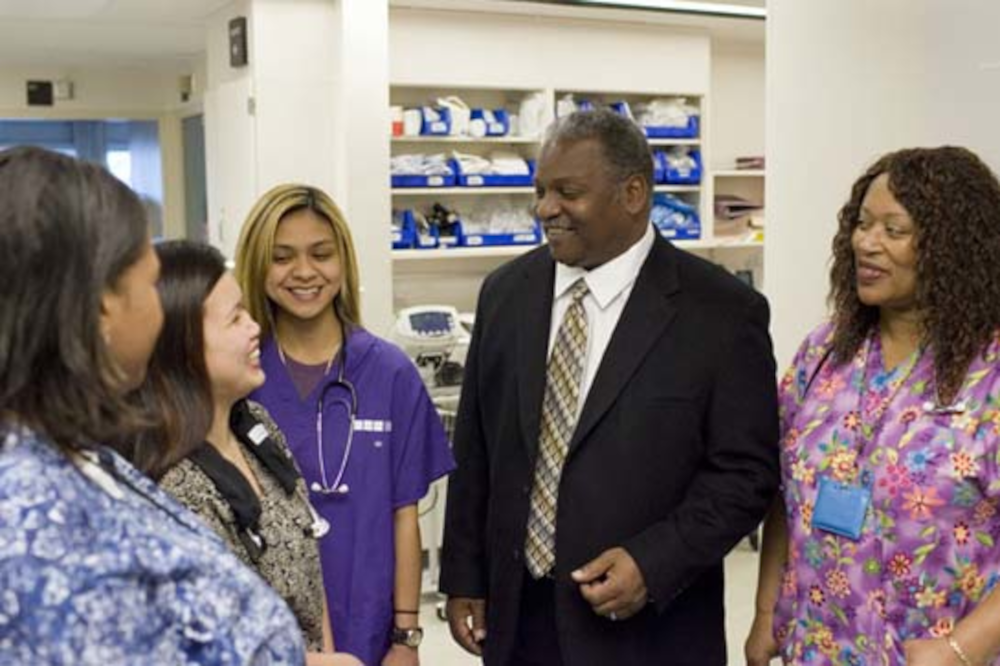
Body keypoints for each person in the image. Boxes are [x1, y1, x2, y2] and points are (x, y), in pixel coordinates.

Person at [439, 108, 780, 666]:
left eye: (568, 192)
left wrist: (653, 561)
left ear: (633, 193)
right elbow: (476, 450)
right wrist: (465, 575)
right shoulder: (506, 294)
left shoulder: (720, 313)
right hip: (518, 622)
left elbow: (746, 473)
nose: (546, 209)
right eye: (541, 190)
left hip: (648, 633)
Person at [0, 146, 304, 664]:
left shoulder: (75, 455)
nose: (160, 313)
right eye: (147, 282)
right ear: (101, 307)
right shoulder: (34, 526)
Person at [744, 146, 1000, 666]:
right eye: (861, 224)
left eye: (893, 229)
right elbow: (781, 494)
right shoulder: (824, 352)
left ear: (953, 247)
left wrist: (958, 648)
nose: (866, 242)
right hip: (816, 645)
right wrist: (767, 609)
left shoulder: (988, 373)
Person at [234, 184, 456, 666]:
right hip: (268, 630)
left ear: (344, 261)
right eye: (282, 257)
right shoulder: (239, 377)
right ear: (257, 264)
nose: (305, 272)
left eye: (321, 254)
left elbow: (404, 515)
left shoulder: (389, 372)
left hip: (369, 626)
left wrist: (406, 636)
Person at [126, 240, 362, 666]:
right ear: (184, 345)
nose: (255, 328)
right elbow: (216, 649)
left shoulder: (256, 427)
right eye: (235, 318)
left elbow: (309, 569)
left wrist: (326, 654)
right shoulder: (174, 489)